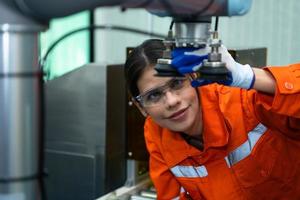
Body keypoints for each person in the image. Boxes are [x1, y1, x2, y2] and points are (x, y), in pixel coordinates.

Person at [124, 39, 300, 200]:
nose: (172, 101)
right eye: (154, 95)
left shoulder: (243, 101)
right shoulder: (157, 132)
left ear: (192, 76)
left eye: (177, 83)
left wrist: (249, 77)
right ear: (141, 107)